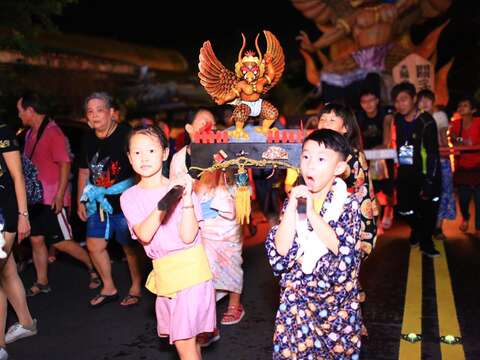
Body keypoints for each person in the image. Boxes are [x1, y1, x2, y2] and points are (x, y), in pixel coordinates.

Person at [120, 125, 216, 360]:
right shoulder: (129, 197)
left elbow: (188, 236)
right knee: (189, 345)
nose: (144, 158)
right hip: (165, 275)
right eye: (137, 152)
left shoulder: (181, 188)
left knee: (185, 344)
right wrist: (166, 199)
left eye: (151, 151)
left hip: (192, 272)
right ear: (129, 158)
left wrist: (185, 198)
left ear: (164, 153)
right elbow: (144, 234)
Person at [266, 129, 363, 359]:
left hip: (335, 310)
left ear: (338, 168)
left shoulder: (348, 204)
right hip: (296, 305)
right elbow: (280, 251)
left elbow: (343, 250)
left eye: (321, 159)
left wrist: (311, 213)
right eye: (306, 157)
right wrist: (291, 207)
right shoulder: (295, 198)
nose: (310, 165)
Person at [17, 91, 100, 296]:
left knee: (61, 242)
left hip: (52, 198)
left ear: (30, 110)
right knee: (36, 240)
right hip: (35, 198)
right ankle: (42, 281)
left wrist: (60, 195)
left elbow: (65, 164)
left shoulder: (53, 132)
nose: (19, 115)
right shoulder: (29, 134)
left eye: (20, 111)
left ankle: (95, 266)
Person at [77, 92, 142, 307]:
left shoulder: (125, 134)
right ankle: (108, 286)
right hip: (97, 200)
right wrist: (80, 200)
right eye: (90, 111)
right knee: (95, 245)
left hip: (125, 200)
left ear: (111, 113)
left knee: (128, 247)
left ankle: (136, 285)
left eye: (99, 110)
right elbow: (84, 171)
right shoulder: (87, 138)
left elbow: (140, 164)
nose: (95, 115)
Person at [317, 103, 378, 257]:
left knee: (343, 269)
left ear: (345, 128)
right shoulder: (315, 152)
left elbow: (359, 192)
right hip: (320, 219)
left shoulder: (353, 155)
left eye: (332, 120)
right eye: (323, 119)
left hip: (346, 222)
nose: (325, 123)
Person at [391, 82, 441, 257]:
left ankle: (426, 244)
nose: (400, 104)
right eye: (396, 101)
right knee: (403, 209)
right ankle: (418, 230)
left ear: (413, 99)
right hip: (405, 172)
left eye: (404, 99)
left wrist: (429, 180)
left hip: (426, 173)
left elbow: (433, 153)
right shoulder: (397, 119)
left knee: (427, 211)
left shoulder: (426, 121)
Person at [0, 120, 37, 358]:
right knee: (7, 271)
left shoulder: (2, 131)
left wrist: (23, 215)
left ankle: (0, 345)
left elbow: (17, 177)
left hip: (4, 215)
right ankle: (26, 322)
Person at [194, 170, 244, 325]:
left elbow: (242, 192)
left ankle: (234, 304)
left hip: (229, 227)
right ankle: (208, 316)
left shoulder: (237, 160)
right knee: (207, 268)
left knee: (232, 262)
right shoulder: (188, 156)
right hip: (205, 224)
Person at [417, 89, 456, 240]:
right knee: (423, 194)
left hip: (441, 160)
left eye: (428, 99)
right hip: (423, 163)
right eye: (421, 100)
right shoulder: (416, 117)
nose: (425, 103)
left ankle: (438, 227)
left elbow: (443, 137)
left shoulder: (440, 116)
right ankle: (424, 226)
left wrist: (447, 151)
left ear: (433, 102)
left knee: (443, 192)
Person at [356, 88, 395, 231]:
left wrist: (379, 148)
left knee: (389, 190)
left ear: (377, 101)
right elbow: (357, 137)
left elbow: (387, 139)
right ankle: (376, 222)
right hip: (367, 158)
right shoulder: (359, 116)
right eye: (364, 101)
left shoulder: (385, 114)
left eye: (371, 100)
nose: (368, 104)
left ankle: (389, 210)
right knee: (371, 191)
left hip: (384, 156)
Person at [450, 96, 480, 237]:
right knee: (463, 198)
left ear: (473, 109)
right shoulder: (456, 124)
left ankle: (478, 227)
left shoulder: (479, 123)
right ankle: (465, 217)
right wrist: (463, 141)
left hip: (478, 166)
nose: (461, 108)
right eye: (460, 105)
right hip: (463, 167)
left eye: (465, 105)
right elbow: (454, 138)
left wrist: (471, 143)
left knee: (479, 199)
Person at [169, 109, 216, 181]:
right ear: (189, 128)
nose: (212, 128)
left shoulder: (222, 154)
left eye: (214, 125)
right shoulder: (178, 159)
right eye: (204, 123)